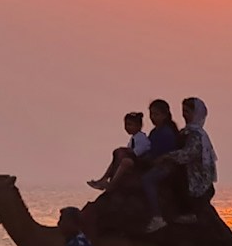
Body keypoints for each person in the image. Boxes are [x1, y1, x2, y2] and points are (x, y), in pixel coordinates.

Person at [152, 97, 219, 230]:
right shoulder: (186, 131)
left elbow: (188, 154)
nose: (184, 115)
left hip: (194, 174)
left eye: (187, 111)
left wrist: (167, 157)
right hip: (184, 169)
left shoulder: (197, 135)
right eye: (183, 111)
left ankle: (187, 213)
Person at [137, 99, 182, 231]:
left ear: (165, 115)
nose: (152, 117)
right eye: (151, 114)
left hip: (166, 166)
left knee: (147, 180)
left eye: (156, 114)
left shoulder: (167, 132)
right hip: (155, 162)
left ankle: (157, 216)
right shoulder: (154, 132)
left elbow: (166, 154)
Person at [88, 111, 151, 191]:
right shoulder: (133, 138)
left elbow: (136, 153)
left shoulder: (142, 138)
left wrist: (122, 151)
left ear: (139, 126)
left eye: (130, 125)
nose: (127, 127)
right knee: (116, 158)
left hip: (140, 163)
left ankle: (113, 184)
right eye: (126, 125)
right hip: (134, 160)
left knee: (123, 158)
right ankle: (103, 179)